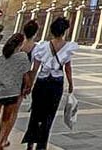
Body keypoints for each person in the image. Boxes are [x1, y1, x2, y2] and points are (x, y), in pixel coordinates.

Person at [21, 17, 76, 150]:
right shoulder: (68, 47)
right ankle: (42, 145)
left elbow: (35, 68)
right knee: (49, 115)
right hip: (56, 82)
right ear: (65, 31)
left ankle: (30, 142)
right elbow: (67, 68)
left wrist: (29, 85)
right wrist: (71, 84)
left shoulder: (42, 46)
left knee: (36, 112)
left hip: (42, 81)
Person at [0, 33, 30, 150]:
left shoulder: (1, 58)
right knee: (5, 121)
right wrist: (27, 87)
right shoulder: (23, 57)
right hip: (12, 93)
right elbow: (26, 76)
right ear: (20, 44)